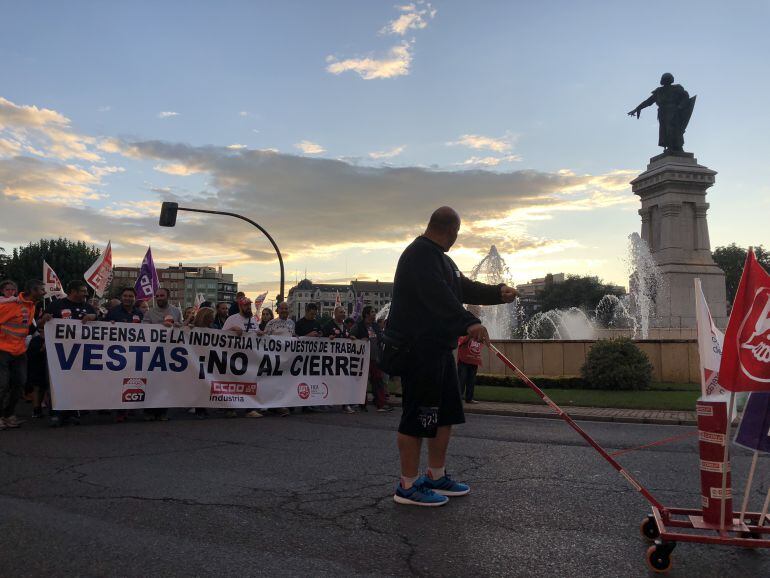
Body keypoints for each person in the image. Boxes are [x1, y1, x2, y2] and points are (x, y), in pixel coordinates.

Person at [387, 207, 517, 506]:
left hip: (439, 349)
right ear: (452, 231)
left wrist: (498, 293)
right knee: (417, 415)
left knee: (444, 414)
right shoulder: (419, 255)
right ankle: (407, 485)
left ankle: (436, 475)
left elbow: (462, 288)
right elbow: (438, 296)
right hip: (417, 349)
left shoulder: (442, 260)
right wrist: (468, 322)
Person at [0, 280, 45, 430]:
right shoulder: (10, 305)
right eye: (41, 289)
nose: (44, 292)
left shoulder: (31, 306)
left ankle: (8, 415)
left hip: (19, 351)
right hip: (3, 351)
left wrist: (43, 322)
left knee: (20, 385)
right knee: (2, 385)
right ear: (32, 290)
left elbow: (28, 328)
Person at [141, 287, 181, 422]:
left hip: (170, 352)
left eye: (161, 295)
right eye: (157, 296)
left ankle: (163, 412)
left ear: (168, 296)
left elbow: (180, 326)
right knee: (151, 383)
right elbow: (144, 329)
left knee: (165, 384)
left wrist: (179, 326)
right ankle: (149, 412)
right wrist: (159, 327)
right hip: (153, 353)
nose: (159, 298)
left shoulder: (176, 311)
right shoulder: (149, 313)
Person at [628, 73, 694, 153]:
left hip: (673, 111)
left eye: (668, 78)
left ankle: (677, 147)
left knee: (673, 129)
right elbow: (648, 102)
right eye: (665, 79)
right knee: (665, 130)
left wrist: (680, 107)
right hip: (662, 112)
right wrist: (637, 109)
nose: (667, 80)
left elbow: (685, 98)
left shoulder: (677, 89)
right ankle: (671, 147)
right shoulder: (659, 91)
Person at [222, 298, 263, 418]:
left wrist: (260, 333)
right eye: (246, 305)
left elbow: (256, 332)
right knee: (232, 382)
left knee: (249, 382)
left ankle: (249, 409)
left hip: (250, 358)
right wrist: (233, 329)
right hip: (234, 357)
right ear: (240, 306)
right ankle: (229, 409)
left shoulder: (253, 320)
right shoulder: (232, 319)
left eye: (249, 305)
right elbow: (220, 335)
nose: (248, 307)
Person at [353, 306, 392, 413]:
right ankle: (362, 403)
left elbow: (380, 338)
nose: (375, 314)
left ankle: (380, 403)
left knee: (378, 380)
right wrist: (359, 340)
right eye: (372, 312)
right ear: (366, 314)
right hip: (363, 359)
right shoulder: (359, 326)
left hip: (375, 358)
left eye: (375, 312)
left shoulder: (375, 326)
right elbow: (351, 338)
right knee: (362, 382)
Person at [263, 302, 294, 417]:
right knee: (274, 381)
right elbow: (265, 339)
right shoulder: (271, 323)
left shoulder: (292, 323)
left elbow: (293, 337)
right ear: (278, 310)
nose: (284, 310)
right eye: (282, 308)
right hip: (274, 357)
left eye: (286, 308)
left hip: (288, 358)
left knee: (285, 381)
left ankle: (281, 404)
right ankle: (274, 405)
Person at [324, 306, 356, 414]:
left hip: (343, 361)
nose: (343, 314)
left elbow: (347, 337)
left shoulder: (346, 327)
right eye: (341, 312)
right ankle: (328, 401)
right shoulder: (328, 325)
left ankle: (345, 404)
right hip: (331, 360)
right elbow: (321, 339)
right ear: (335, 313)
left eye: (344, 312)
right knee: (331, 381)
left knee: (344, 381)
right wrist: (328, 338)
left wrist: (351, 338)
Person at [457, 335, 482, 404]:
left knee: (471, 381)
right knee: (461, 380)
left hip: (474, 361)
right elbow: (460, 342)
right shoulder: (463, 333)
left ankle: (469, 398)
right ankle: (458, 399)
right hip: (463, 361)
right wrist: (470, 334)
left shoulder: (478, 335)